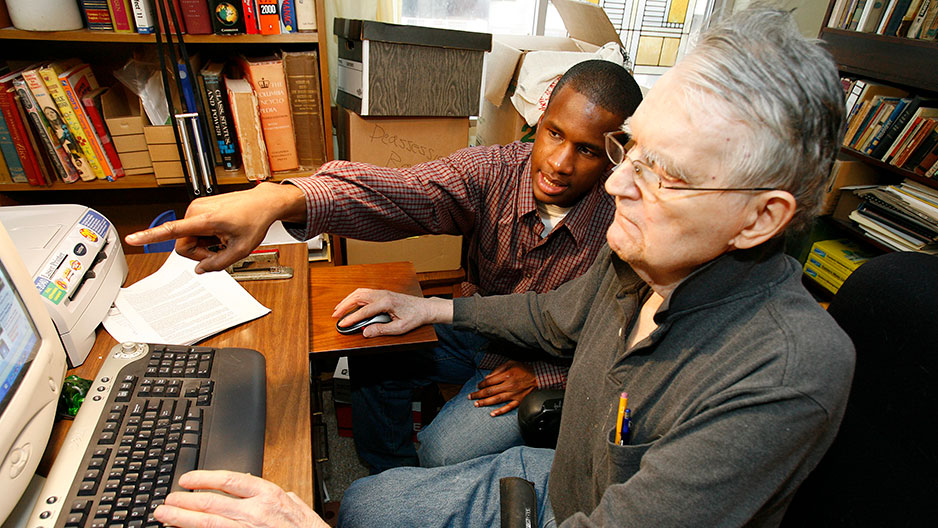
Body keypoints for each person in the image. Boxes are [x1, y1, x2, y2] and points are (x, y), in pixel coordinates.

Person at [150, 6, 854, 528]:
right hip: (564, 478)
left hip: (591, 512)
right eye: (630, 153)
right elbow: (549, 312)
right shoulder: (650, 261)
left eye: (662, 172)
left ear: (760, 217)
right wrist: (283, 202)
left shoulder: (783, 373)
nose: (613, 185)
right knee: (365, 501)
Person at [127, 60, 644, 473]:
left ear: (617, 155)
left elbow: (630, 344)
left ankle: (432, 484)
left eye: (588, 151)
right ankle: (389, 475)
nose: (559, 163)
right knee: (367, 335)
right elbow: (401, 193)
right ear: (539, 120)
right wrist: (278, 200)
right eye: (553, 134)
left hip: (542, 362)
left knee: (445, 452)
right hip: (470, 323)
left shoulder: (631, 224)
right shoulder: (495, 170)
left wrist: (549, 376)